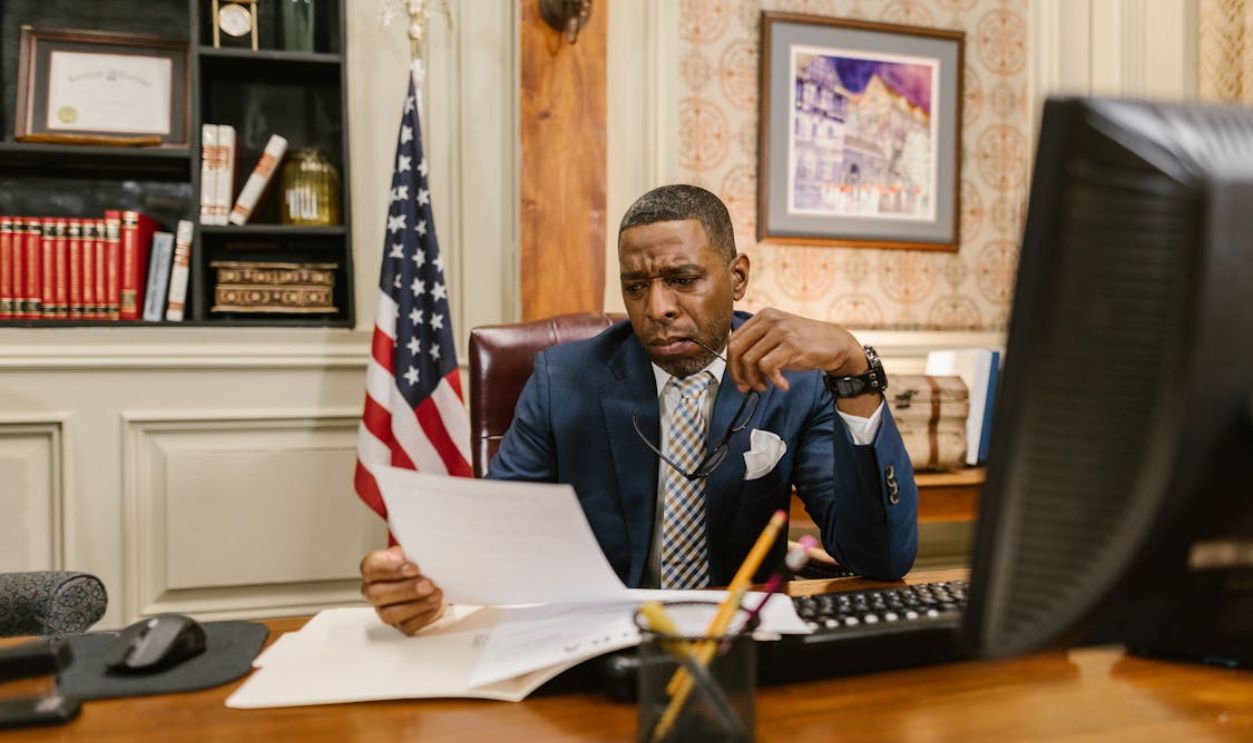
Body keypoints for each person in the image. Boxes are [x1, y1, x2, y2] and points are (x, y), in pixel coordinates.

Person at [360, 185, 918, 634]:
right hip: (600, 637)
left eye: (683, 280)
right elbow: (496, 536)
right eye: (635, 287)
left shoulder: (794, 381)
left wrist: (854, 370)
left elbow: (881, 558)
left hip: (742, 644)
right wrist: (421, 580)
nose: (658, 308)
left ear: (738, 277)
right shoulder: (563, 382)